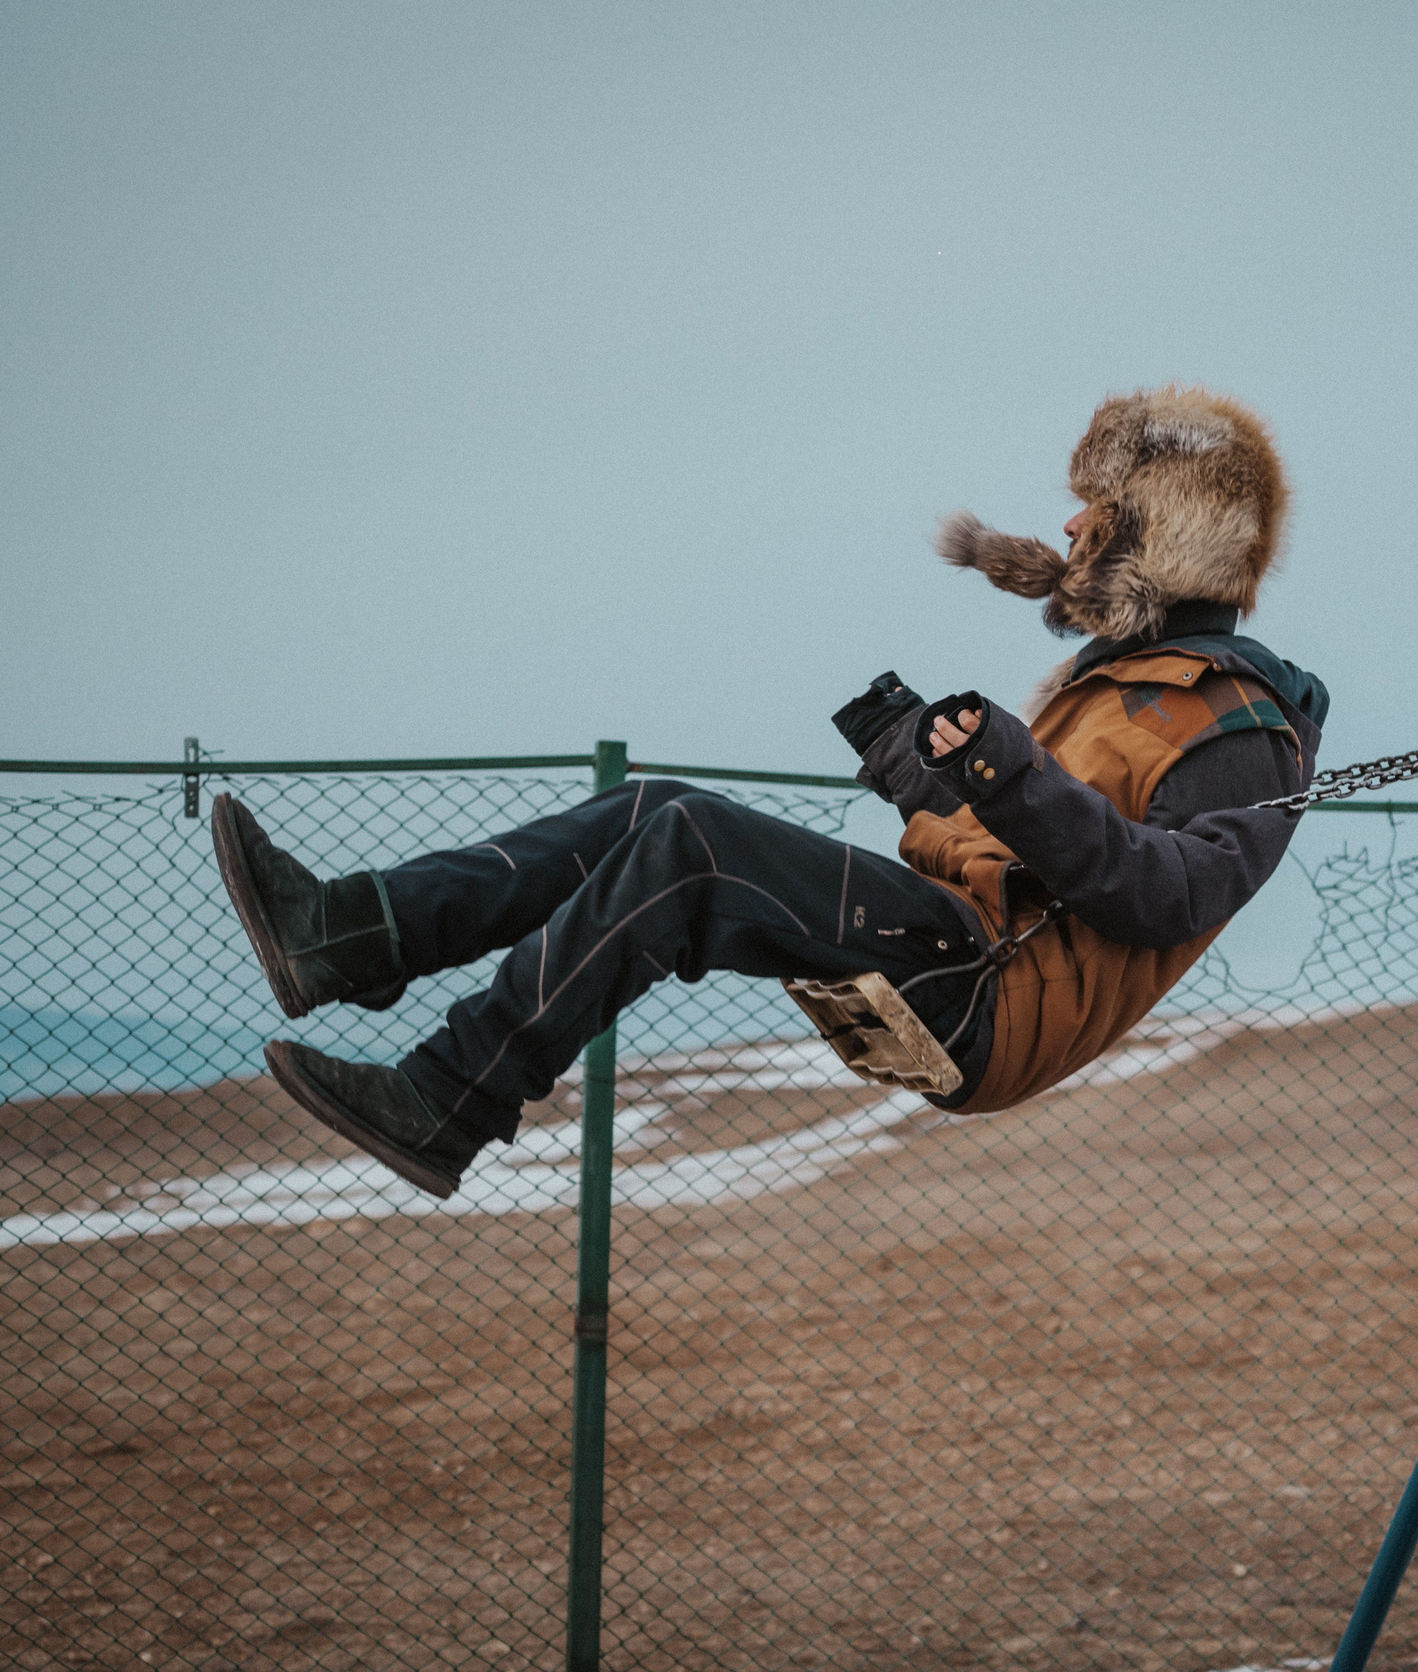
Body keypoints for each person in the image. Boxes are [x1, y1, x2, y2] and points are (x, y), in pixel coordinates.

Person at [214, 384, 1330, 1197]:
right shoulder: (1119, 687)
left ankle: (454, 1097)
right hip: (958, 940)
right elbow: (1001, 841)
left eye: (1099, 507)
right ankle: (351, 937)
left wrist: (1004, 767)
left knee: (696, 842)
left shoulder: (1241, 732)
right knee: (655, 810)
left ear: (1160, 533)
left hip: (991, 996)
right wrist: (913, 752)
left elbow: (1164, 896)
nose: (1072, 523)